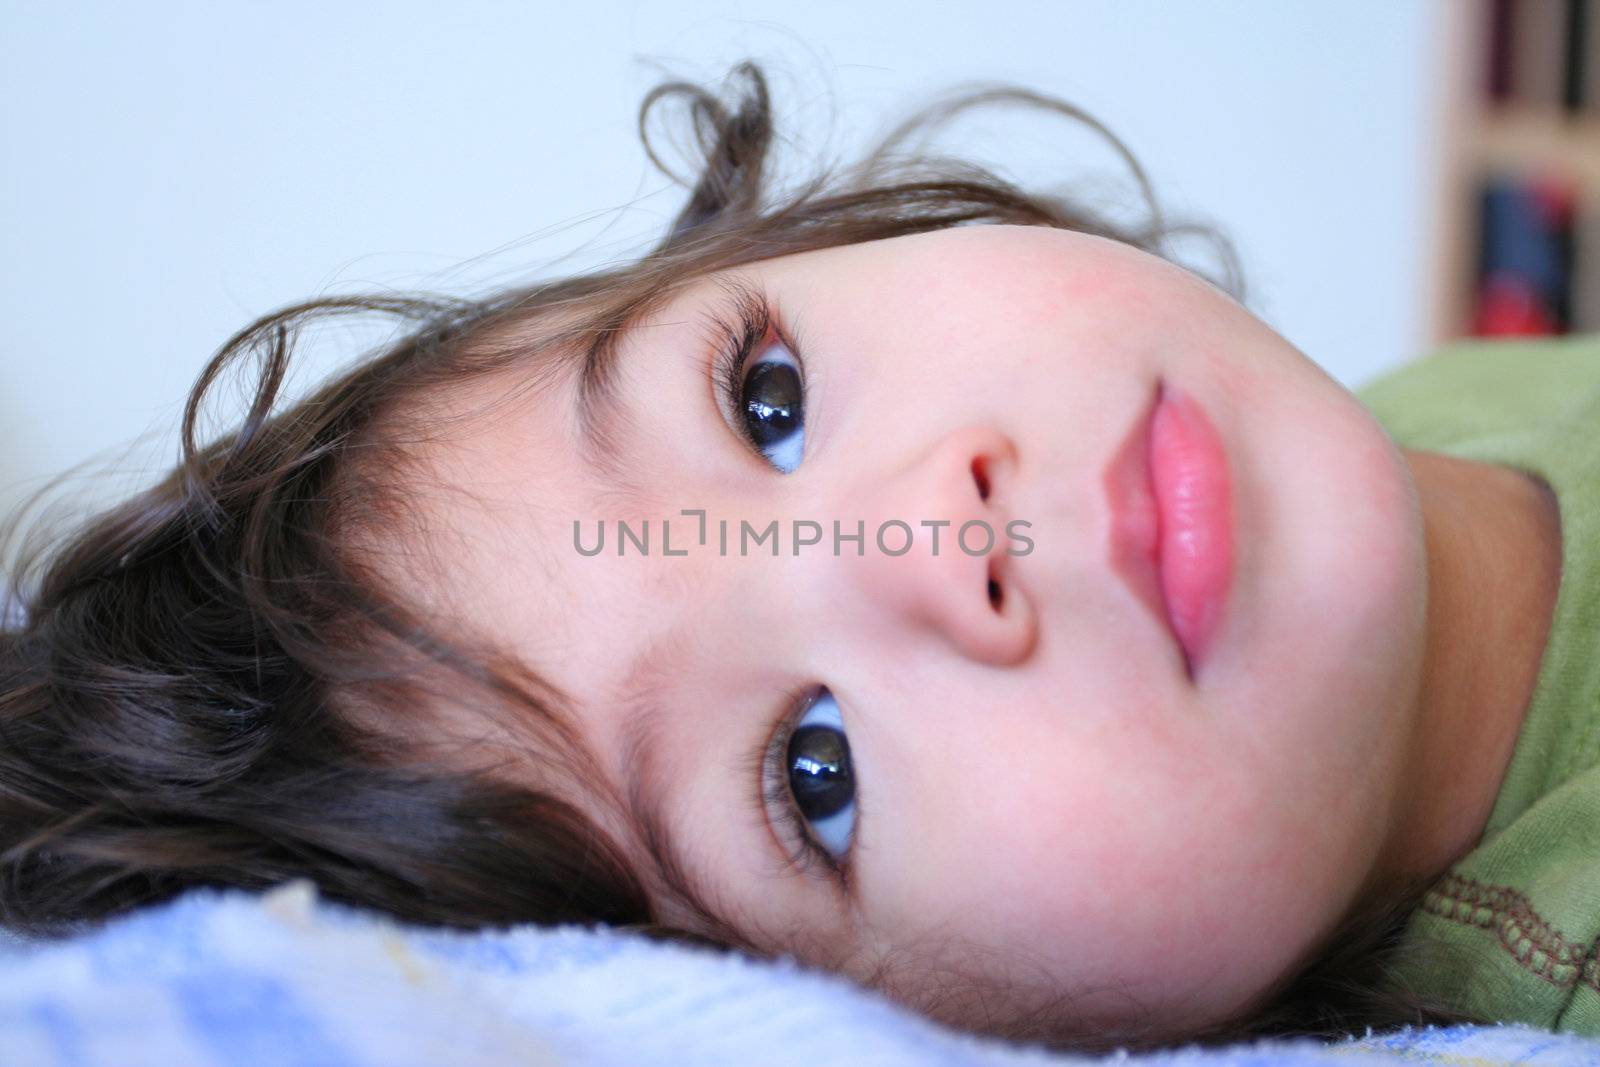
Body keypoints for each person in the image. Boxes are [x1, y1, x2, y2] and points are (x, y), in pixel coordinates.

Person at [0, 60, 1588, 1052]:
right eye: (811, 773)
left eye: (767, 400)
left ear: (833, 243)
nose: (924, 533)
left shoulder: (1424, 415)